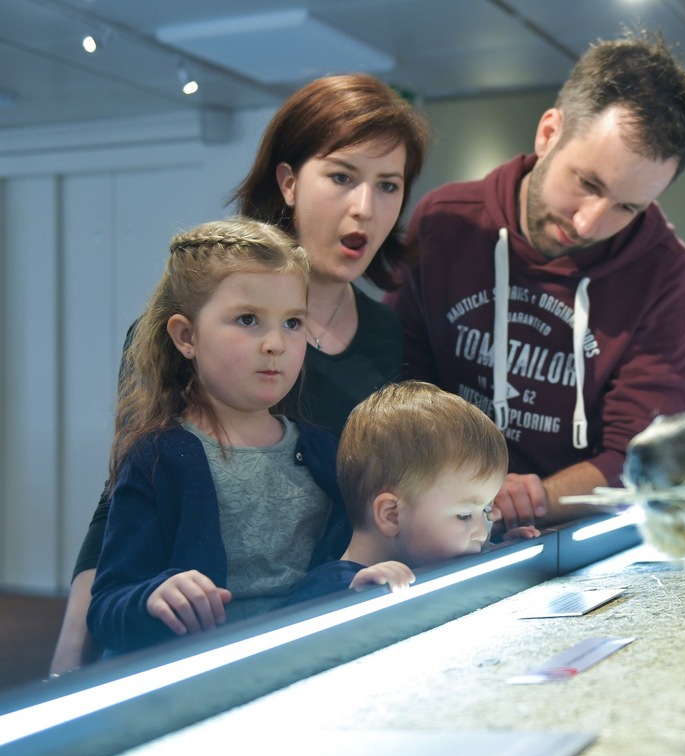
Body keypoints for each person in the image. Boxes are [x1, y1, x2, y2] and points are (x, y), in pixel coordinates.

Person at [51, 74, 431, 671]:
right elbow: (120, 502)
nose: (365, 207)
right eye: (341, 177)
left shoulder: (386, 334)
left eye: (388, 185)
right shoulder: (178, 331)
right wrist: (69, 658)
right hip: (193, 644)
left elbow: (367, 504)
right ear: (288, 182)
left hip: (319, 639)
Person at [389, 31, 685, 535]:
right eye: (587, 183)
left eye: (628, 207)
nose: (589, 224)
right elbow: (402, 383)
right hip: (437, 523)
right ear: (548, 133)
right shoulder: (446, 221)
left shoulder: (663, 271)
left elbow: (644, 456)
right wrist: (463, 498)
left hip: (569, 534)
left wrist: (532, 498)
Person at [88, 219, 389, 653]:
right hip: (198, 674)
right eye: (248, 319)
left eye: (292, 323)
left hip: (302, 661)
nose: (275, 344)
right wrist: (152, 597)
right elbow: (107, 608)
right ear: (186, 336)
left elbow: (375, 537)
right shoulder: (157, 456)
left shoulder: (325, 450)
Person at [288, 381, 525, 605]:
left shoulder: (431, 562)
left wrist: (503, 553)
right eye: (464, 516)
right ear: (392, 515)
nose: (482, 534)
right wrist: (359, 598)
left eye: (486, 511)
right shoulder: (330, 590)